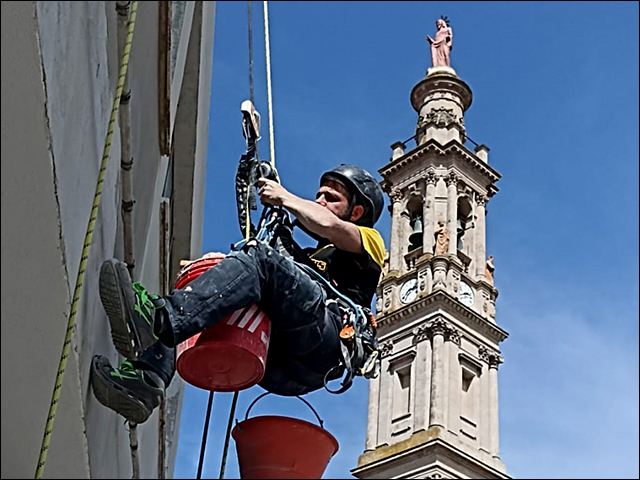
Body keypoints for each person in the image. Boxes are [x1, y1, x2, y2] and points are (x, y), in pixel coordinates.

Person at [90, 165, 386, 424]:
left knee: (261, 261)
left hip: (327, 339)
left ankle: (158, 320)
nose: (319, 201)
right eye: (319, 195)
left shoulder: (370, 242)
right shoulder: (309, 259)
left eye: (330, 198)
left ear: (356, 212)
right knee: (221, 285)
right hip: (284, 362)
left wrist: (284, 197)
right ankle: (148, 378)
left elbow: (330, 227)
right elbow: (276, 260)